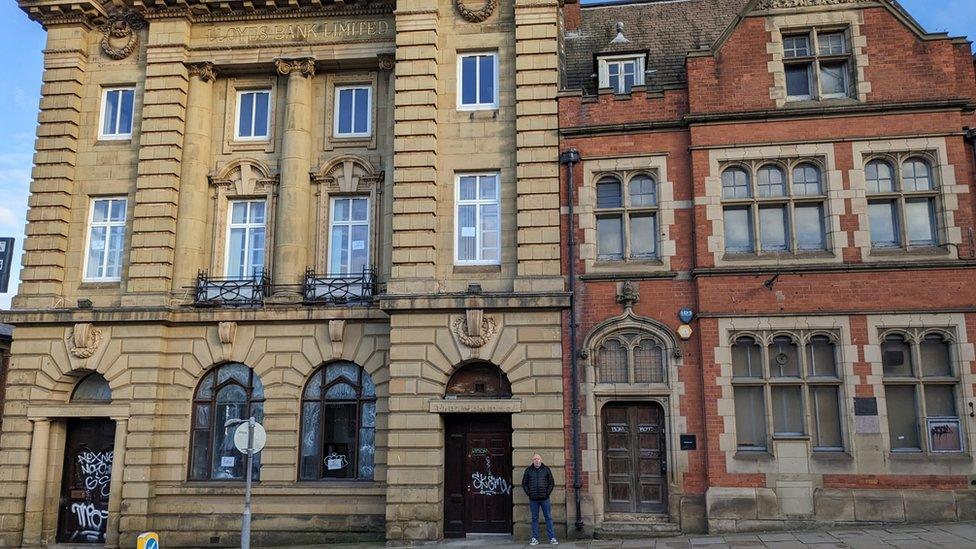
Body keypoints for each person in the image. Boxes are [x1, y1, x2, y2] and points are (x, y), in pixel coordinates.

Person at [521, 453, 557, 545]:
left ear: (541, 460)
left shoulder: (546, 469)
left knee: (548, 518)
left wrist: (547, 493)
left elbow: (551, 483)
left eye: (538, 459)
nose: (536, 461)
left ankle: (552, 538)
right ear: (532, 461)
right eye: (535, 459)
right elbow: (524, 483)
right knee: (534, 519)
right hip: (533, 499)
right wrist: (529, 493)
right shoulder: (528, 470)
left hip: (545, 499)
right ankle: (535, 538)